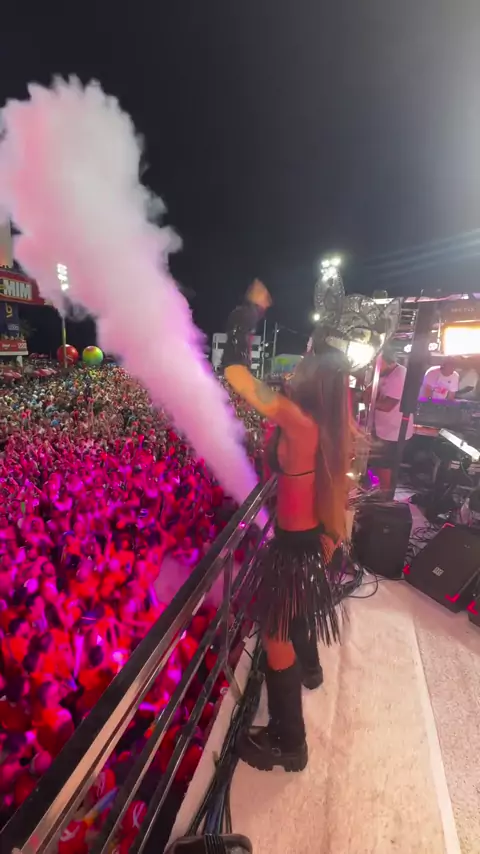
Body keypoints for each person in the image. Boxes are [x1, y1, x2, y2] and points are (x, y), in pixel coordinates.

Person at [223, 279, 354, 773]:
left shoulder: (298, 421)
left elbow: (235, 373)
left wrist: (248, 312)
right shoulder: (325, 423)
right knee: (294, 622)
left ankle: (288, 741)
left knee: (276, 639)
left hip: (293, 547)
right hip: (308, 542)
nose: (297, 365)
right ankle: (311, 672)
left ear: (315, 377)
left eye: (305, 360)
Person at [370, 344, 413, 492]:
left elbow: (387, 405)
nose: (373, 365)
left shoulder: (399, 374)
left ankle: (385, 497)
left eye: (376, 362)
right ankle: (380, 491)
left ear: (387, 360)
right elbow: (368, 394)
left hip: (394, 432)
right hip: (382, 428)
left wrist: (371, 402)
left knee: (385, 465)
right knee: (377, 463)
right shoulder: (381, 373)